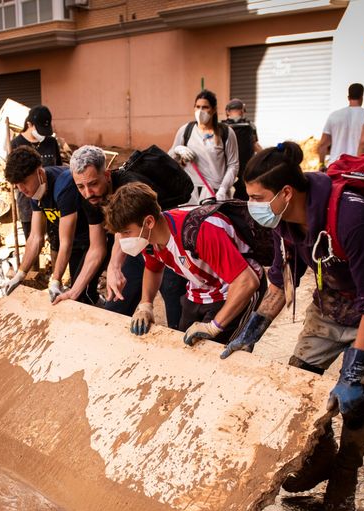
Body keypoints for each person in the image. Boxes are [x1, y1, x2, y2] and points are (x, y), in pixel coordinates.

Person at [221, 142, 364, 511]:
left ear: (286, 192)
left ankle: (344, 480)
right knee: (298, 385)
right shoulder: (282, 221)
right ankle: (319, 455)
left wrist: (353, 374)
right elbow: (280, 283)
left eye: (257, 197)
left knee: (355, 401)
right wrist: (250, 333)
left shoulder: (350, 217)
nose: (253, 205)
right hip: (329, 304)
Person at [101, 182, 263, 344]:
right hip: (200, 290)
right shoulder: (149, 239)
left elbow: (247, 281)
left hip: (234, 290)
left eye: (126, 232)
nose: (122, 239)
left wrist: (214, 326)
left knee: (214, 354)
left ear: (149, 222)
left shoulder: (200, 232)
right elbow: (153, 269)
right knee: (184, 346)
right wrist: (146, 304)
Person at [60, 145, 188, 328]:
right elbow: (96, 248)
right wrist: (74, 292)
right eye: (80, 186)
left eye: (93, 184)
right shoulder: (90, 197)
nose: (88, 193)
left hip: (164, 245)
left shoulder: (131, 184)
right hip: (134, 247)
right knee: (116, 307)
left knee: (176, 309)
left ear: (107, 174)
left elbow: (122, 233)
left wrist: (114, 266)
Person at [2, 145, 102, 305]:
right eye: (17, 185)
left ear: (39, 173)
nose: (22, 189)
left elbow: (66, 242)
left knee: (83, 294)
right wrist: (19, 275)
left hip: (93, 240)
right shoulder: (35, 190)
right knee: (80, 294)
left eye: (24, 182)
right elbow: (35, 237)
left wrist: (55, 280)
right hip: (77, 242)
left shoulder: (63, 186)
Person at [9, 105, 62, 270]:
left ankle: (56, 274)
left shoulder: (51, 142)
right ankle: (33, 274)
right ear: (29, 124)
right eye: (40, 129)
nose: (43, 134)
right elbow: (13, 175)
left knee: (56, 239)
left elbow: (58, 167)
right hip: (28, 202)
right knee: (32, 237)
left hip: (51, 200)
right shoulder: (16, 143)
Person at [170, 90, 240, 202]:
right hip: (190, 193)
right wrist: (177, 150)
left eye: (205, 107)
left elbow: (233, 165)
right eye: (197, 107)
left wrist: (223, 189)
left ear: (214, 110)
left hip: (215, 193)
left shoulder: (226, 132)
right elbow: (170, 159)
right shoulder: (185, 130)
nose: (200, 111)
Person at [319, 83, 364, 169]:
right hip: (358, 167)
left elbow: (323, 144)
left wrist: (321, 164)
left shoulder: (334, 115)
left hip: (335, 166)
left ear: (348, 97)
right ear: (362, 97)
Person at [222, 98, 261, 200]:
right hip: (245, 168)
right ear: (243, 110)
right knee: (243, 196)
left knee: (223, 195)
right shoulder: (250, 125)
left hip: (226, 168)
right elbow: (255, 145)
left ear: (227, 111)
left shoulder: (221, 127)